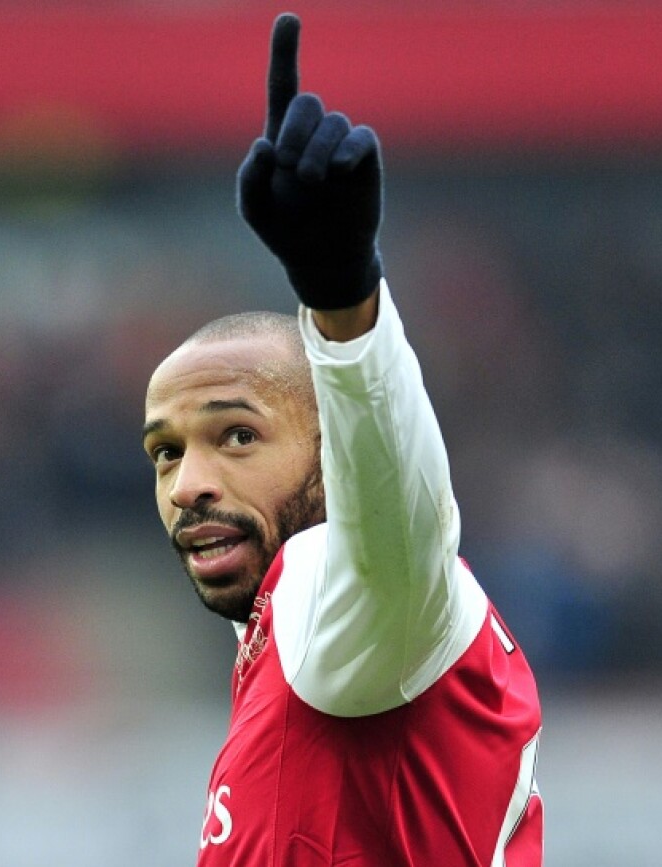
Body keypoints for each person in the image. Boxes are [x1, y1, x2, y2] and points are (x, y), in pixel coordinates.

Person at [142, 13, 543, 866]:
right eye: (167, 451)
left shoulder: (354, 599)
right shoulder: (289, 644)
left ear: (336, 453)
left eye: (238, 435)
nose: (188, 485)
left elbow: (396, 512)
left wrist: (343, 299)